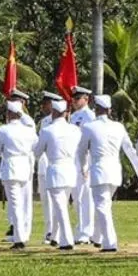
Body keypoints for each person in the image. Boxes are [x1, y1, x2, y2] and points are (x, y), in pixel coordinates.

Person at [76, 96, 138, 253]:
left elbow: (81, 151)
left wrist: (83, 167)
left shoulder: (89, 127)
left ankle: (110, 242)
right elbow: (130, 152)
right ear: (109, 110)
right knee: (105, 205)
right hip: (114, 171)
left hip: (99, 170)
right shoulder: (118, 127)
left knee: (102, 206)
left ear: (96, 109)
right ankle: (98, 238)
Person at [34, 99, 82, 250]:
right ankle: (54, 236)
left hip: (55, 169)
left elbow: (37, 152)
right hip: (70, 169)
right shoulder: (75, 130)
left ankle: (67, 240)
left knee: (60, 206)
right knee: (60, 204)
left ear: (53, 112)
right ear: (65, 113)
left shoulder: (47, 130)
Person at [0, 101, 38, 249]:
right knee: (24, 203)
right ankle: (23, 234)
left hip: (11, 168)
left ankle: (19, 238)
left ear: (9, 114)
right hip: (25, 167)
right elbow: (35, 148)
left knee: (16, 204)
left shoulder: (3, 130)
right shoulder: (29, 130)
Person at [69, 86, 96, 244]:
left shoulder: (89, 115)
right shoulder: (74, 116)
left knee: (86, 197)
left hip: (85, 159)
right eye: (73, 98)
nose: (74, 101)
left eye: (77, 98)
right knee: (77, 196)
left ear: (86, 99)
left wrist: (86, 165)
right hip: (74, 158)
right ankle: (80, 228)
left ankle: (87, 231)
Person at [36, 92, 62, 244]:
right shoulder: (44, 122)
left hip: (56, 165)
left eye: (46, 104)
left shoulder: (65, 123)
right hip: (44, 165)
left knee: (57, 201)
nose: (44, 107)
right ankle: (49, 231)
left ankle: (56, 233)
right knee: (46, 201)